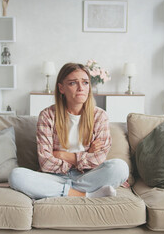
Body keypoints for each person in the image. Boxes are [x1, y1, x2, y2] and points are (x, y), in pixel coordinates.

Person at [8, 63, 129, 199]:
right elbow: (46, 162)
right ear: (61, 88)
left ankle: (60, 191)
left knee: (120, 167)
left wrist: (62, 155)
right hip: (54, 177)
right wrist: (86, 155)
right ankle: (84, 194)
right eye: (73, 83)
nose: (81, 88)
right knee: (16, 176)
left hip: (88, 175)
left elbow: (99, 159)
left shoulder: (99, 116)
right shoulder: (48, 116)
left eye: (85, 83)